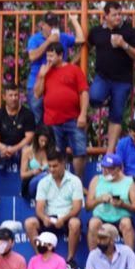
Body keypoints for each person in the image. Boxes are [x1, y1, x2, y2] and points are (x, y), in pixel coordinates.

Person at [86, 1, 135, 150]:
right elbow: (86, 46)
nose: (118, 17)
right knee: (93, 98)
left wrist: (124, 45)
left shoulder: (128, 31)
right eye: (114, 15)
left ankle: (110, 152)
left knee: (116, 116)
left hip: (122, 81)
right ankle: (107, 99)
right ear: (105, 16)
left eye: (120, 14)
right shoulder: (97, 31)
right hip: (103, 77)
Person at [36, 43, 90, 174]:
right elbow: (37, 93)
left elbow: (84, 92)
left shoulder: (74, 70)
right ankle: (58, 184)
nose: (49, 59)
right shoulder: (45, 72)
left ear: (60, 55)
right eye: (47, 56)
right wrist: (42, 76)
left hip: (73, 118)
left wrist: (83, 114)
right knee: (55, 154)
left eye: (52, 56)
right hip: (52, 121)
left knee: (79, 151)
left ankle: (78, 183)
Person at [25, 153, 86, 264]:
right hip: (49, 218)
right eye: (50, 166)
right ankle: (40, 257)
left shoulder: (75, 181)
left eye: (55, 166)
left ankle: (70, 260)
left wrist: (63, 219)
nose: (52, 169)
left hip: (67, 217)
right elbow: (39, 208)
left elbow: (77, 208)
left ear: (63, 164)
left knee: (75, 223)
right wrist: (44, 218)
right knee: (29, 223)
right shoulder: (43, 182)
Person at [25, 10, 80, 109]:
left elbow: (81, 39)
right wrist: (49, 41)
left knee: (54, 120)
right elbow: (32, 56)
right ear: (42, 25)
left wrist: (74, 21)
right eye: (50, 25)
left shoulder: (62, 37)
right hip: (37, 83)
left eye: (55, 26)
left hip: (56, 84)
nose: (53, 28)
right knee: (36, 120)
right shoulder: (34, 39)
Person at [86, 153, 135, 243]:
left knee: (126, 223)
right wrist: (99, 200)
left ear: (118, 169)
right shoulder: (96, 179)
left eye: (110, 169)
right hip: (101, 217)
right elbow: (88, 207)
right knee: (93, 223)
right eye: (104, 168)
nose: (105, 171)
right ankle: (93, 255)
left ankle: (130, 256)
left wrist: (123, 205)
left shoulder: (128, 182)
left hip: (121, 217)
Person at [0, 83, 36, 172]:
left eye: (16, 95)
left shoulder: (28, 114)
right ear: (4, 97)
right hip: (2, 148)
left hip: (21, 148)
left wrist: (14, 149)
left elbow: (29, 137)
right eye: (10, 95)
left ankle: (24, 179)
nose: (14, 98)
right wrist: (2, 147)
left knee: (28, 150)